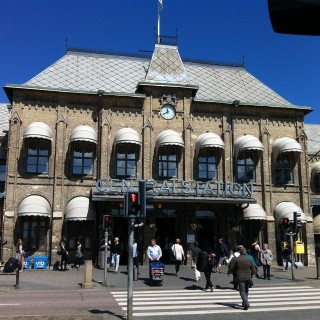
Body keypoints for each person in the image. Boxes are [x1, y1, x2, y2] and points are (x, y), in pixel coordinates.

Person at [229, 246, 255, 310]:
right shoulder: (249, 259)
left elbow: (232, 267)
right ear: (245, 252)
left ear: (240, 252)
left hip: (240, 277)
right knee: (246, 290)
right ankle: (244, 302)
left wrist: (229, 272)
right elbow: (253, 269)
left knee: (242, 291)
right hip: (248, 277)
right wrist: (252, 275)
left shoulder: (237, 259)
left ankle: (246, 302)